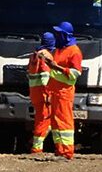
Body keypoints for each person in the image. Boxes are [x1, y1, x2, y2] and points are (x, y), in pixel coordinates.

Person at [36, 21, 82, 159]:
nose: (56, 35)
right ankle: (59, 149)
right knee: (55, 122)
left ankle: (67, 151)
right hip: (54, 91)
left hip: (64, 92)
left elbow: (75, 73)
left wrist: (55, 67)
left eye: (58, 33)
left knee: (64, 121)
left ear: (65, 35)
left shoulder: (74, 51)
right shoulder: (58, 49)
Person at [27, 32, 56, 153]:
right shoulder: (46, 56)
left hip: (35, 92)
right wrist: (49, 94)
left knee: (41, 119)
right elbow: (45, 78)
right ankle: (36, 147)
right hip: (43, 94)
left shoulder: (35, 55)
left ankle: (35, 143)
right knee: (44, 120)